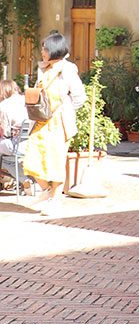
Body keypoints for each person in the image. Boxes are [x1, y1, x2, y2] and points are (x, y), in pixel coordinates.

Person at [22, 33, 77, 209]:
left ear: (54, 50)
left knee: (56, 160)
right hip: (41, 120)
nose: (43, 52)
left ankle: (55, 199)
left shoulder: (67, 69)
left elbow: (79, 96)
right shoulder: (44, 69)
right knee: (32, 156)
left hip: (58, 122)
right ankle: (46, 190)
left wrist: (65, 111)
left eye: (45, 49)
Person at [0, 78, 29, 183]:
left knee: (5, 158)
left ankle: (25, 180)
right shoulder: (27, 100)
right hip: (33, 144)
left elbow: (6, 133)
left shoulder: (4, 105)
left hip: (16, 146)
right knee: (8, 160)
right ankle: (26, 181)